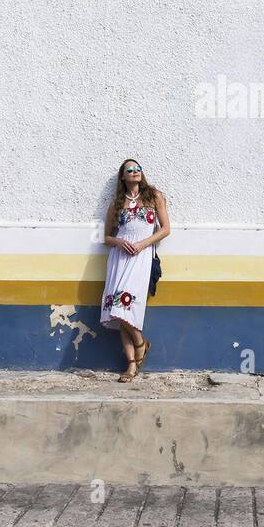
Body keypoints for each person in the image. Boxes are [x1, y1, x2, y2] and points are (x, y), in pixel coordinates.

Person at [100, 158, 170, 382]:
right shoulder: (116, 203)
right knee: (118, 310)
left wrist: (143, 244)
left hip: (141, 257)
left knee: (126, 305)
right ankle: (132, 362)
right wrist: (119, 242)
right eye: (129, 170)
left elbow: (166, 229)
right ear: (123, 176)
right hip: (119, 258)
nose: (134, 172)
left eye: (137, 168)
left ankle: (139, 346)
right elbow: (106, 237)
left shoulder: (154, 196)